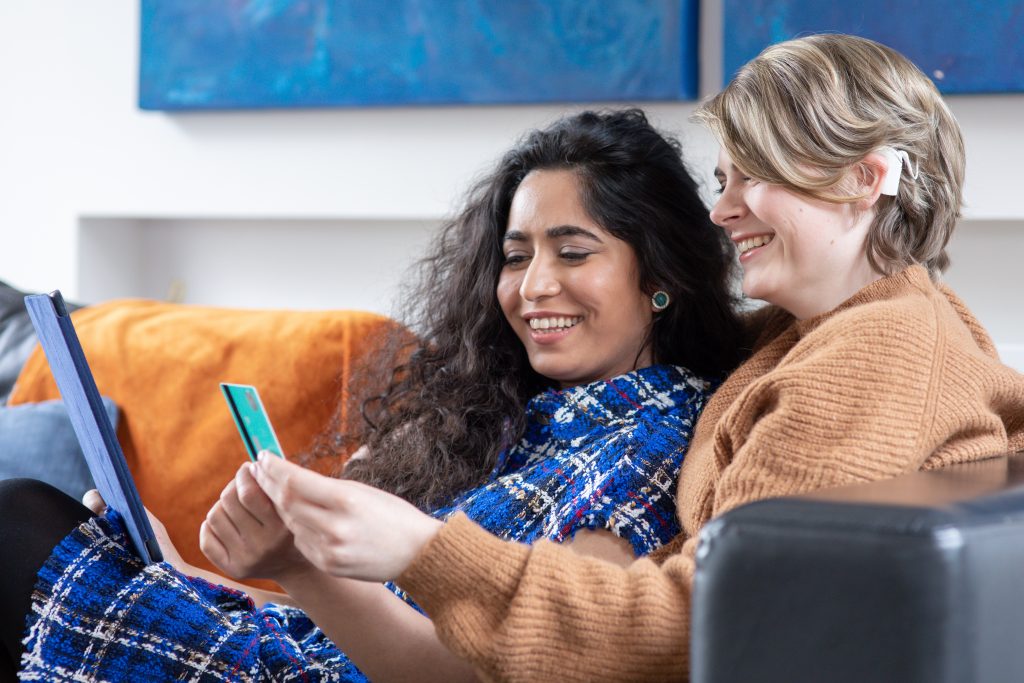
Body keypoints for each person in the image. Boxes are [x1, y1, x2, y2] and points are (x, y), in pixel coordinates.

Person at [229, 34, 1024, 681]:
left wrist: (421, 549)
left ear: (866, 177)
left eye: (756, 176)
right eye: (724, 178)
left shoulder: (874, 357)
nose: (722, 209)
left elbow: (707, 622)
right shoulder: (826, 331)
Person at [0, 109, 744, 681]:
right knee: (37, 516)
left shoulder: (649, 442)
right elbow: (348, 619)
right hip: (287, 652)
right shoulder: (524, 416)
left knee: (17, 519)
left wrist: (300, 565)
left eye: (573, 252)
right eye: (516, 257)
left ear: (660, 278)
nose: (534, 285)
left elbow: (498, 668)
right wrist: (183, 573)